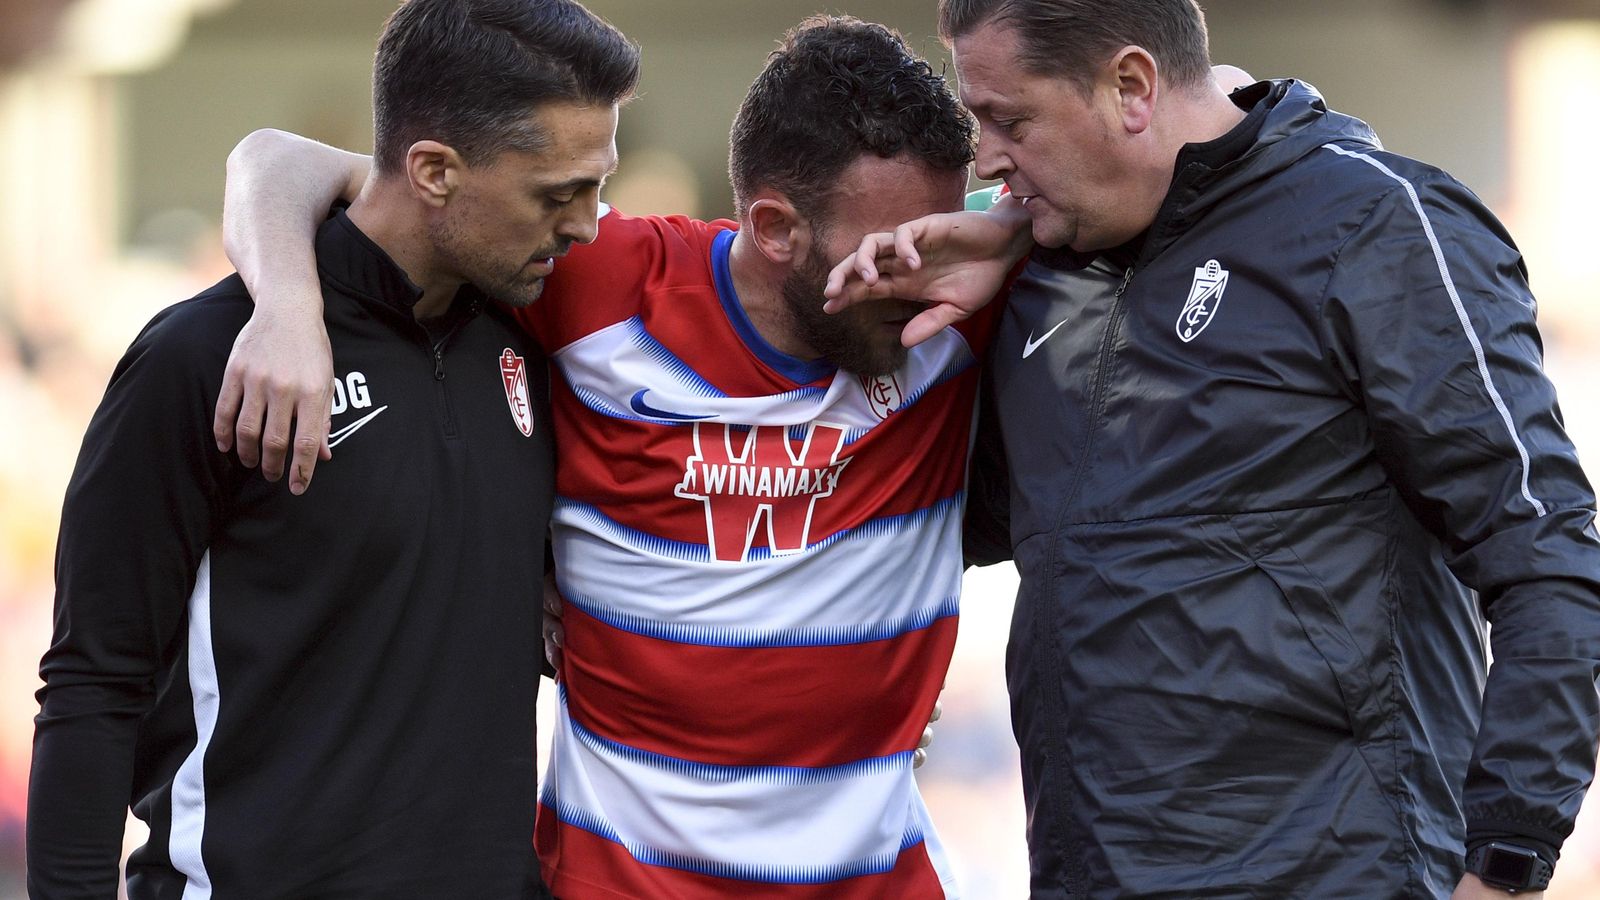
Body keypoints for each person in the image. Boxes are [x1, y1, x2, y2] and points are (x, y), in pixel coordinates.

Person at [823, 1, 1600, 897]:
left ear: (1131, 86)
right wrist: (881, 333)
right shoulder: (1040, 270)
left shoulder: (1378, 225)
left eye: (1010, 118)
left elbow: (1548, 564)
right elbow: (952, 526)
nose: (986, 158)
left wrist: (1503, 864)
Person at [211, 15, 989, 898]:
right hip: (611, 883)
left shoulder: (955, 314)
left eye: (943, 237)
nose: (923, 273)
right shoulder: (603, 281)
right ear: (774, 227)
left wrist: (1004, 238)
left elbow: (1128, 189)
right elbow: (277, 160)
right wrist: (285, 305)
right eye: (887, 254)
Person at [26, 1, 638, 896]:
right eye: (558, 194)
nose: (587, 225)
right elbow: (93, 680)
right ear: (432, 170)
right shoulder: (205, 357)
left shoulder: (536, 349)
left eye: (597, 187)